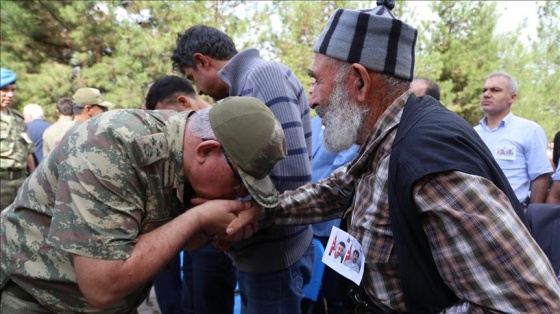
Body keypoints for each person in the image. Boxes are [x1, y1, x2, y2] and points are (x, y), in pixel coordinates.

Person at [227, 1, 560, 312]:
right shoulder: (389, 138)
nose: (311, 100)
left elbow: (530, 304)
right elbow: (339, 188)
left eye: (316, 81)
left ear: (359, 82)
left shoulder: (429, 163)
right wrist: (262, 211)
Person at [1, 96, 285, 313]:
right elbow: (102, 285)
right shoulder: (109, 146)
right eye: (240, 181)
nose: (237, 193)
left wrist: (213, 230)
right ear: (206, 151)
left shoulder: (183, 152)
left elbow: (173, 240)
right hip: (36, 299)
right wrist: (197, 218)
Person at [172, 25, 314, 313]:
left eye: (192, 77)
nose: (198, 89)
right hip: (259, 253)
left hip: (275, 255)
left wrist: (234, 224)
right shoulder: (244, 88)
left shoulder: (263, 76)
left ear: (202, 61)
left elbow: (293, 174)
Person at [145, 75, 236, 314]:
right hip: (193, 234)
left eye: (163, 116)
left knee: (209, 302)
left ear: (183, 103)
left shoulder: (230, 128)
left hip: (215, 238)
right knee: (189, 302)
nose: (162, 125)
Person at [475, 71, 553, 205]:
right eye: (484, 90)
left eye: (495, 90)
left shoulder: (529, 130)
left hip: (513, 214)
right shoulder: (473, 133)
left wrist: (531, 217)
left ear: (512, 97)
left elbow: (540, 176)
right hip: (474, 213)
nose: (486, 94)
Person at [309, 115, 358, 314]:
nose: (312, 91)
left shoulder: (350, 127)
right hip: (307, 226)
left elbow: (339, 175)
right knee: (313, 293)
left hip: (336, 228)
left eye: (317, 82)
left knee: (338, 293)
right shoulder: (311, 123)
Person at [0, 68, 35, 211]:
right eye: (4, 89)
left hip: (21, 182)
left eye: (13, 90)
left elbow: (28, 152)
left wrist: (34, 178)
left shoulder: (18, 118)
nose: (10, 94)